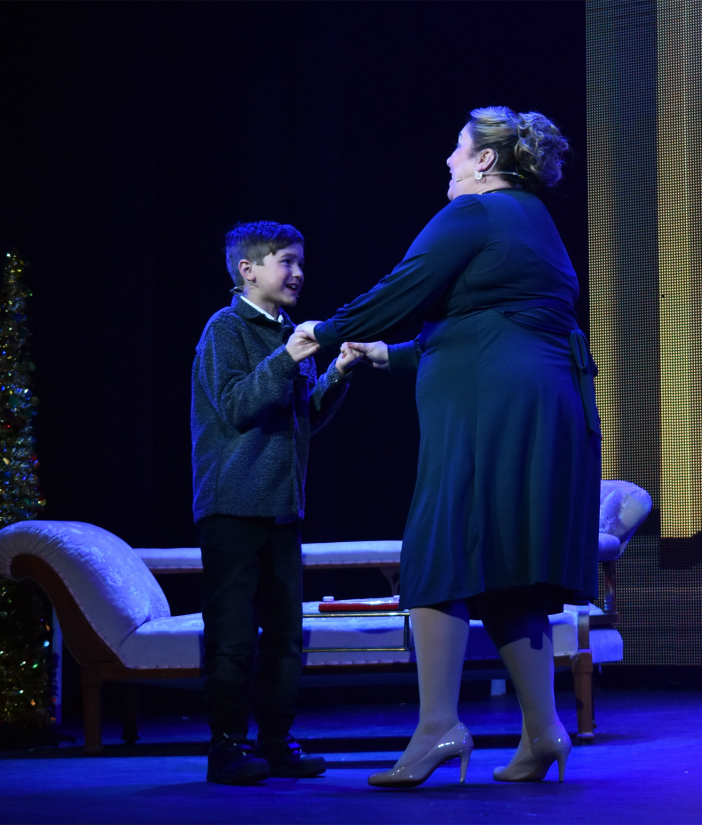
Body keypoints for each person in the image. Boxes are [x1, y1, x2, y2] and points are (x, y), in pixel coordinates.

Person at [299, 106, 601, 788]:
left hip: (489, 404)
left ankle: (438, 724)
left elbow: (404, 287)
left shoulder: (474, 212)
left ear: (485, 160)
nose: (447, 161)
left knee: (440, 547)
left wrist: (324, 331)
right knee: (510, 564)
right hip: (544, 399)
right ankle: (544, 729)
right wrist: (389, 354)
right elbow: (493, 324)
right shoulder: (535, 220)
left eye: (458, 150)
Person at [191, 220, 365, 784]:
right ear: (248, 270)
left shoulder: (290, 333)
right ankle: (226, 746)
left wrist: (336, 374)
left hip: (282, 509)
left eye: (300, 262)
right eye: (286, 261)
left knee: (285, 637)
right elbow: (236, 405)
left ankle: (275, 741)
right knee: (233, 636)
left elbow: (301, 418)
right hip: (232, 507)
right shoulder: (225, 329)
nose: (298, 273)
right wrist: (286, 359)